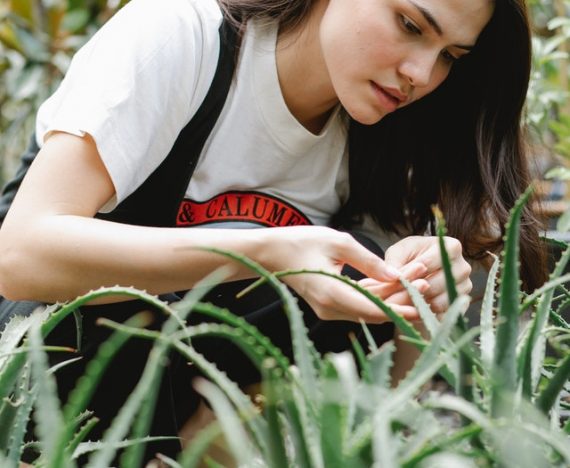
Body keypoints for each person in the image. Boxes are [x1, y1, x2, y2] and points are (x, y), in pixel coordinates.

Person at [0, 0, 545, 461]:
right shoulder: (181, 33)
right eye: (409, 25)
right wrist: (267, 250)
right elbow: (20, 256)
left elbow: (390, 393)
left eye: (450, 56)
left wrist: (423, 302)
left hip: (188, 415)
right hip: (41, 378)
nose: (421, 74)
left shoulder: (384, 132)